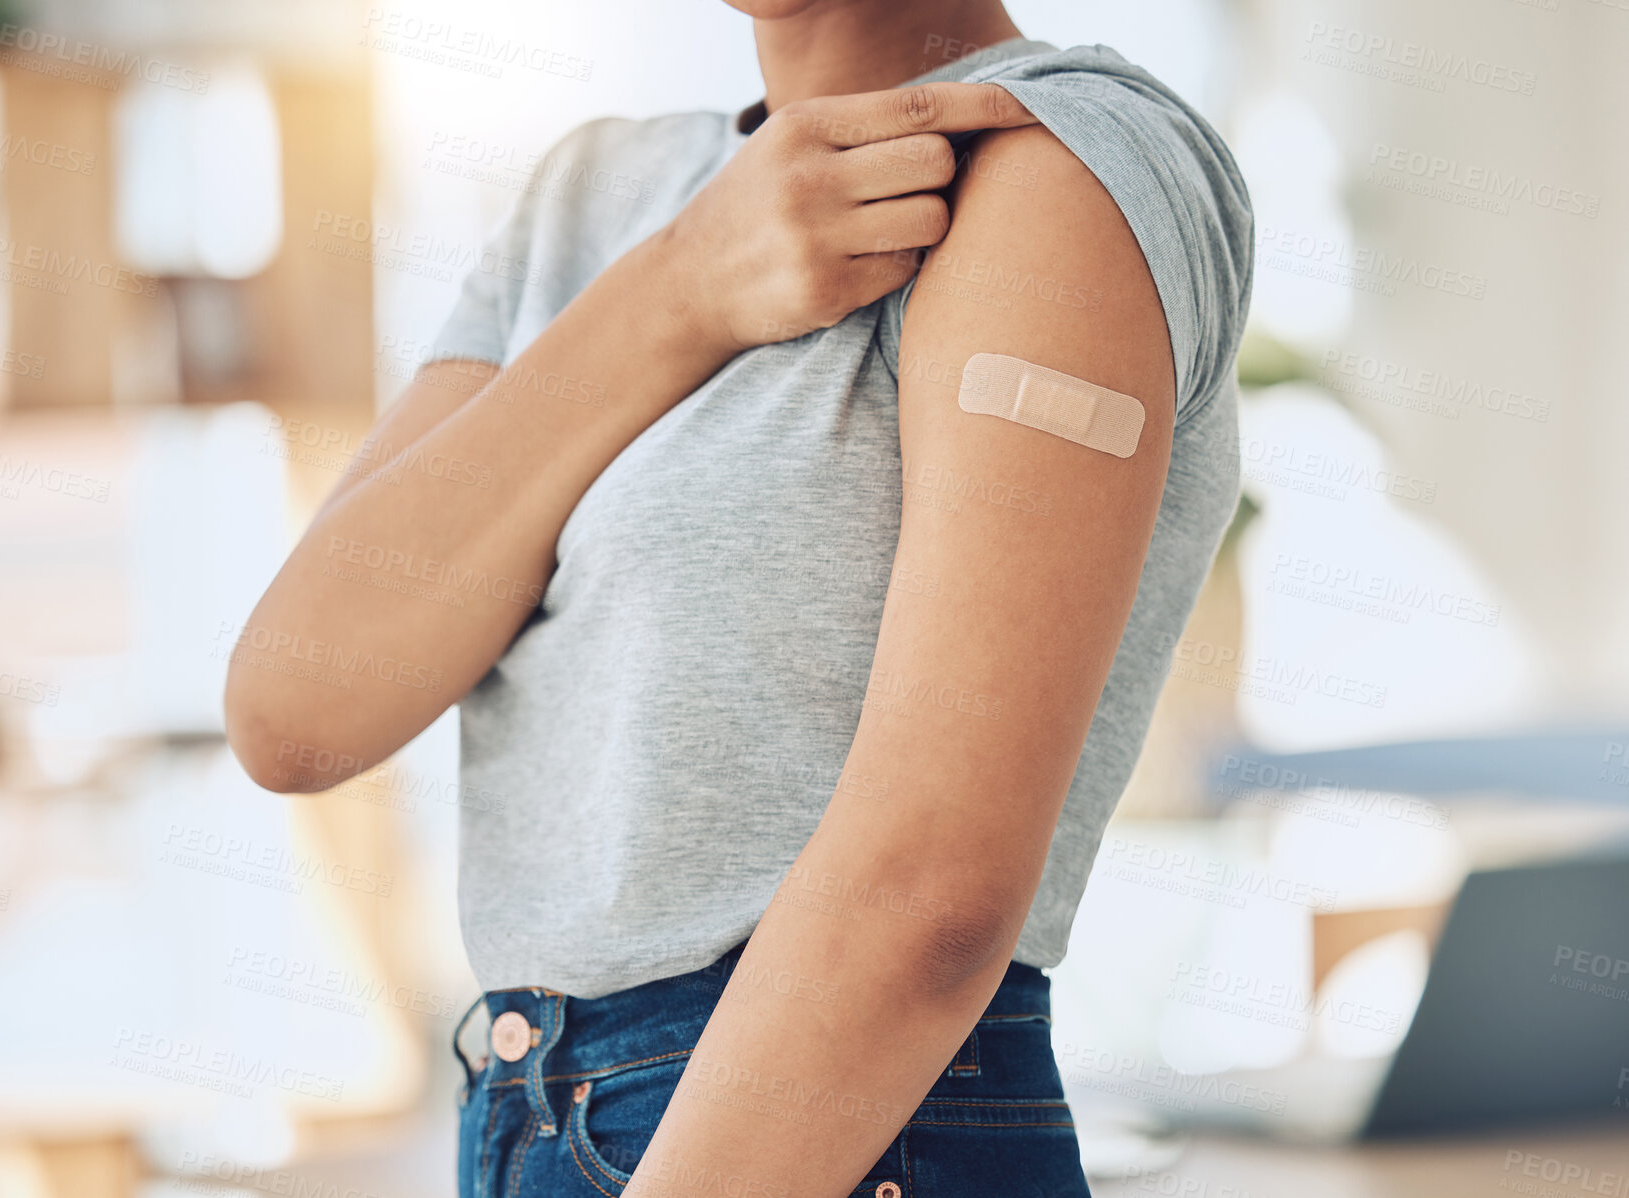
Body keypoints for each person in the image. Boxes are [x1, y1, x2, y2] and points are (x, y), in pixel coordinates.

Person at [224, 0, 1253, 1193]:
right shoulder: (594, 198)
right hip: (528, 1115)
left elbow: (931, 895)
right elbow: (296, 708)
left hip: (829, 1138)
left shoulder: (1051, 165)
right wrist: (677, 291)